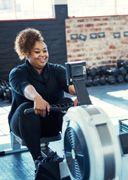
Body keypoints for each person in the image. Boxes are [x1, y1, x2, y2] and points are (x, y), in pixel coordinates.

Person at [8, 28, 76, 170]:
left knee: (69, 103)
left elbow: (69, 86)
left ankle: (75, 149)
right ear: (26, 53)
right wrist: (37, 98)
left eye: (44, 50)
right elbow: (25, 87)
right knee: (26, 108)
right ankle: (38, 160)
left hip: (50, 122)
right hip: (24, 124)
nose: (43, 55)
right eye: (37, 52)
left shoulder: (57, 70)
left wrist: (79, 93)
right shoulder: (17, 73)